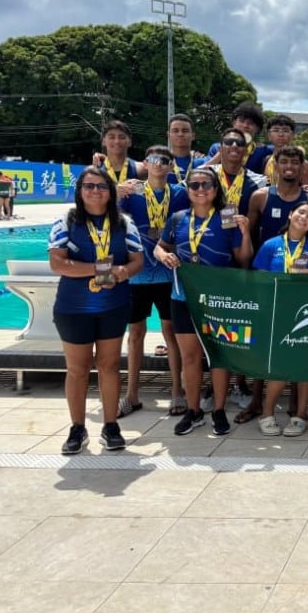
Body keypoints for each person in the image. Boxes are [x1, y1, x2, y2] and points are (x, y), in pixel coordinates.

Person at [49, 167, 144, 454]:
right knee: (77, 369)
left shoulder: (124, 223)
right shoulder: (65, 221)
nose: (95, 191)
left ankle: (110, 425)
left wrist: (124, 272)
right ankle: (77, 428)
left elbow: (137, 260)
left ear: (110, 191)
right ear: (80, 190)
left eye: (102, 186)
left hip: (112, 306)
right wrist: (100, 269)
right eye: (89, 186)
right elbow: (57, 263)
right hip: (73, 307)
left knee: (110, 366)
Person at [154, 167, 254, 437]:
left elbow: (243, 260)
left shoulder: (227, 219)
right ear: (188, 190)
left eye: (206, 184)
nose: (200, 189)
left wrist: (245, 234)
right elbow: (159, 246)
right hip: (183, 296)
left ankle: (219, 410)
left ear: (215, 188)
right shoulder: (177, 219)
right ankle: (194, 410)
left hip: (220, 299)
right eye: (195, 185)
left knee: (219, 355)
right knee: (190, 357)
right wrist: (163, 256)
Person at [117, 146, 190, 418]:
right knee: (135, 335)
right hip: (137, 273)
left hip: (168, 275)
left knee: (171, 334)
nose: (159, 164)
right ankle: (132, 394)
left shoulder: (180, 194)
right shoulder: (131, 192)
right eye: (154, 160)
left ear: (171, 166)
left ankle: (177, 392)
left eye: (165, 161)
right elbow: (110, 218)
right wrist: (116, 191)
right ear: (145, 163)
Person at [253, 201, 308, 438]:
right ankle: (266, 413)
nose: (304, 217)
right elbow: (259, 281)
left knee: (305, 367)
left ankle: (300, 415)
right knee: (279, 368)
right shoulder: (270, 245)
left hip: (304, 315)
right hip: (276, 313)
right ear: (291, 214)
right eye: (301, 212)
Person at [205, 101, 271, 174]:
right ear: (233, 123)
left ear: (258, 129)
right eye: (241, 121)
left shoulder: (263, 151)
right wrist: (221, 152)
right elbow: (203, 172)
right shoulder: (217, 147)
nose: (245, 125)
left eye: (251, 123)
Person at [216, 127, 268, 216]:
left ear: (245, 151)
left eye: (240, 143)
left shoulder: (260, 182)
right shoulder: (206, 175)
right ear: (220, 149)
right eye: (229, 142)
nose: (234, 145)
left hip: (243, 229)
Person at [262, 114, 308, 189]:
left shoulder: (302, 163)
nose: (280, 134)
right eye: (276, 130)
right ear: (269, 135)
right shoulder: (267, 160)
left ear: (292, 135)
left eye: (285, 131)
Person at [93, 120, 145, 185]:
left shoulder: (142, 169)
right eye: (111, 137)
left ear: (129, 142)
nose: (117, 141)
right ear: (103, 141)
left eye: (122, 137)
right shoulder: (95, 172)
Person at [166, 113, 204, 185]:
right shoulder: (160, 162)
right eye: (175, 131)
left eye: (185, 131)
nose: (180, 134)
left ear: (193, 136)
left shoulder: (202, 162)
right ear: (168, 135)